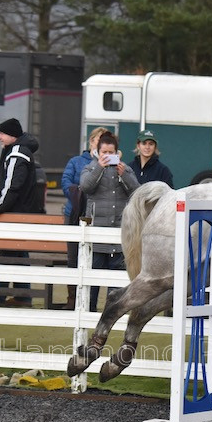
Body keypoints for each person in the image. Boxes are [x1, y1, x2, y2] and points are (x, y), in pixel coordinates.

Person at [0, 118, 41, 307]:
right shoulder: (18, 151)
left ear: (12, 135)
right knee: (18, 254)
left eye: (2, 133)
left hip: (14, 213)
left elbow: (12, 186)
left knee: (10, 253)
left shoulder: (17, 153)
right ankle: (23, 296)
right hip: (20, 212)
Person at [79, 131, 140, 311]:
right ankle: (87, 313)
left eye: (110, 152)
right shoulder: (90, 168)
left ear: (117, 152)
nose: (107, 156)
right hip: (96, 235)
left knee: (116, 284)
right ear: (98, 152)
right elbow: (85, 187)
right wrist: (99, 167)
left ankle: (111, 316)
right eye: (104, 152)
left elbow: (137, 192)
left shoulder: (126, 169)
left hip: (119, 234)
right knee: (92, 281)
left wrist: (125, 175)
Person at [58, 127, 109, 309]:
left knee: (93, 260)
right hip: (74, 214)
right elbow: (65, 182)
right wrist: (79, 194)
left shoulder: (110, 163)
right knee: (73, 260)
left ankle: (89, 301)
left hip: (98, 218)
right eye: (98, 139)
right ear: (91, 142)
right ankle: (73, 300)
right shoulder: (76, 161)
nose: (100, 142)